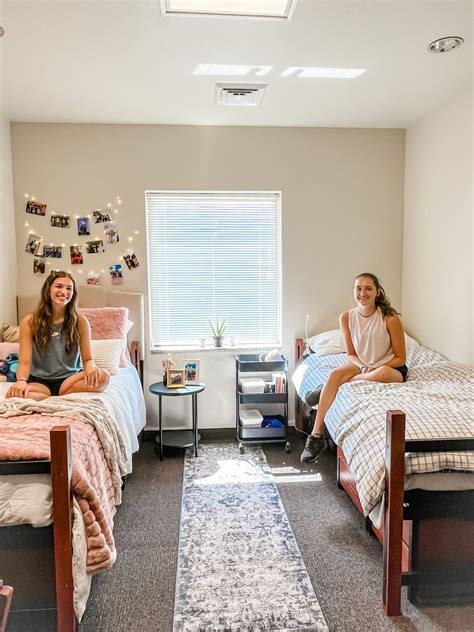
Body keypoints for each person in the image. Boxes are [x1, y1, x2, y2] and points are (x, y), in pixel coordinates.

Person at [300, 272, 407, 463]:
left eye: (368, 288)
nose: (363, 293)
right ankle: (316, 436)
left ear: (377, 292)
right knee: (334, 374)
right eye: (359, 288)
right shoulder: (346, 318)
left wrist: (374, 367)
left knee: (379, 373)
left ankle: (326, 389)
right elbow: (350, 354)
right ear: (354, 291)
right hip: (362, 366)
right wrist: (363, 366)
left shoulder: (389, 318)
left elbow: (400, 358)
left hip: (389, 367)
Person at [6, 271, 110, 401]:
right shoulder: (29, 322)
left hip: (70, 379)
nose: (64, 292)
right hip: (40, 382)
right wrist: (21, 381)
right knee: (13, 394)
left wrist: (91, 367)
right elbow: (25, 362)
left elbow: (88, 359)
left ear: (73, 293)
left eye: (69, 288)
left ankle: (54, 395)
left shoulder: (81, 322)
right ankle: (56, 394)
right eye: (59, 286)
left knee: (104, 377)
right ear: (48, 290)